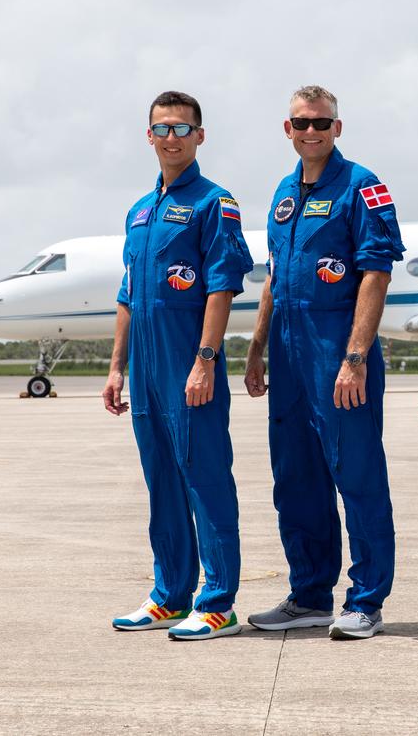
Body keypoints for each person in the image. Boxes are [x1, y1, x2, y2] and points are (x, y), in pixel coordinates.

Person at [244, 85, 405, 640]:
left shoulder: (364, 187)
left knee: (356, 476)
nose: (310, 131)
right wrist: (258, 345)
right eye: (300, 123)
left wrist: (355, 356)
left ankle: (366, 601)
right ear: (286, 130)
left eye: (320, 122)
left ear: (338, 127)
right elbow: (273, 277)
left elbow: (376, 274)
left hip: (338, 354)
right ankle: (310, 594)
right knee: (295, 480)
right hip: (288, 359)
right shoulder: (283, 194)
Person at [102, 91, 254, 640]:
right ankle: (170, 594)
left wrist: (206, 359)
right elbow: (127, 295)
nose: (172, 138)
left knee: (205, 478)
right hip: (144, 367)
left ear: (199, 136)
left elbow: (222, 285)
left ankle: (217, 603)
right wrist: (117, 367)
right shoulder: (139, 211)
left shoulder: (216, 202)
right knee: (161, 481)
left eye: (182, 128)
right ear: (148, 136)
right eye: (162, 129)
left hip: (188, 363)